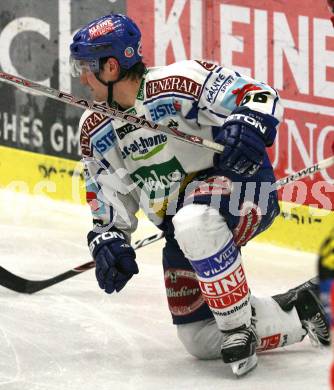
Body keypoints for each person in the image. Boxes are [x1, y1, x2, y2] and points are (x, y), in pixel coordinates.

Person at [69, 13, 329, 376]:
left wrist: (249, 123)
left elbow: (258, 94)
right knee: (200, 338)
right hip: (184, 224)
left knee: (194, 221)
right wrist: (109, 237)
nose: (81, 77)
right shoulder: (94, 128)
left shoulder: (178, 83)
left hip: (244, 185)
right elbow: (109, 200)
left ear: (111, 66)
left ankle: (239, 329)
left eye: (85, 66)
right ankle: (305, 312)